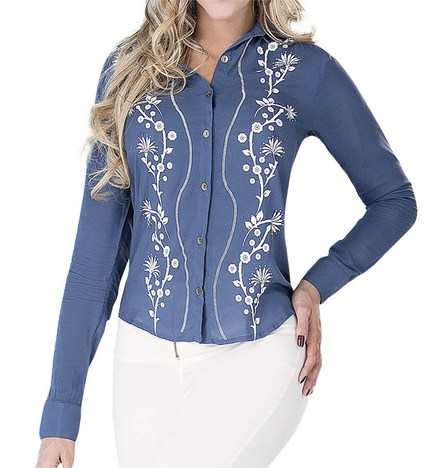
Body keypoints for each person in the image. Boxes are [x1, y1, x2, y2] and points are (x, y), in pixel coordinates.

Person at [36, 0, 418, 467]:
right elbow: (95, 259)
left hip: (258, 350)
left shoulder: (304, 71)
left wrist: (318, 284)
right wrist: (61, 415)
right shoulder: (130, 70)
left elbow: (394, 200)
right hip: (142, 362)